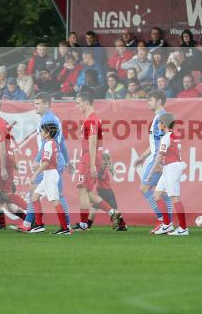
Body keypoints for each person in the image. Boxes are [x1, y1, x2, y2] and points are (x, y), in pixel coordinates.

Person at [72, 92, 125, 233]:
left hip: (89, 159)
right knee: (86, 192)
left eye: (79, 102)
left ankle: (84, 224)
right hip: (90, 158)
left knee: (82, 190)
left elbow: (93, 142)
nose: (77, 105)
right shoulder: (93, 119)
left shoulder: (91, 120)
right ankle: (112, 212)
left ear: (87, 102)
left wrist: (93, 164)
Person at [21, 93, 72, 231]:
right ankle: (30, 224)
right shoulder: (50, 118)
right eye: (34, 103)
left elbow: (47, 144)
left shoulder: (48, 120)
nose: (35, 106)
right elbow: (62, 143)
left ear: (46, 104)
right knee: (36, 192)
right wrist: (67, 160)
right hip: (55, 160)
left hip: (50, 161)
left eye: (38, 103)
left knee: (55, 195)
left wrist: (37, 160)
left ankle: (63, 225)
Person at [0, 99, 29, 229]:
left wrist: (2, 168)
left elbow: (2, 147)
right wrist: (13, 162)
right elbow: (9, 142)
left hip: (1, 160)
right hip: (8, 158)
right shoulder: (2, 123)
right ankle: (32, 216)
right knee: (7, 194)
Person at [132, 91, 174, 233]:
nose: (147, 102)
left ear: (159, 101)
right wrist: (142, 157)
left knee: (144, 188)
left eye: (150, 100)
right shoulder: (161, 117)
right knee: (164, 193)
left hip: (159, 159)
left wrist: (159, 162)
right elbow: (156, 144)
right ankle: (169, 223)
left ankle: (163, 221)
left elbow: (163, 144)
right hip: (160, 158)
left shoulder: (160, 119)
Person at [149, 113, 189, 236]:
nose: (158, 125)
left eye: (159, 122)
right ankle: (167, 225)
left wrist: (151, 171)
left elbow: (160, 155)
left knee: (174, 197)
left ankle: (183, 228)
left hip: (172, 168)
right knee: (157, 194)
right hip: (170, 167)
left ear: (164, 124)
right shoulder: (174, 136)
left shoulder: (166, 138)